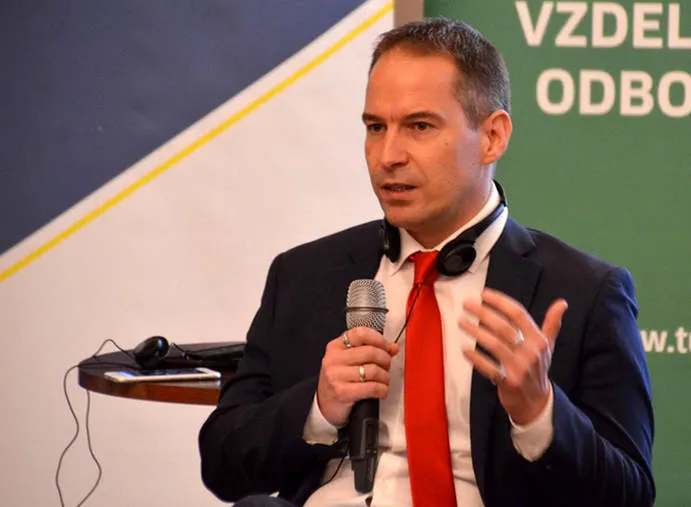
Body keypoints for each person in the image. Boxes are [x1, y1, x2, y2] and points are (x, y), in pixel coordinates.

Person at [198, 18, 654, 507]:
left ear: (492, 137)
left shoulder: (584, 292)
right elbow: (222, 465)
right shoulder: (304, 275)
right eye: (376, 127)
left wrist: (539, 413)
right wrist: (318, 406)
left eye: (419, 126)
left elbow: (629, 495)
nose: (388, 156)